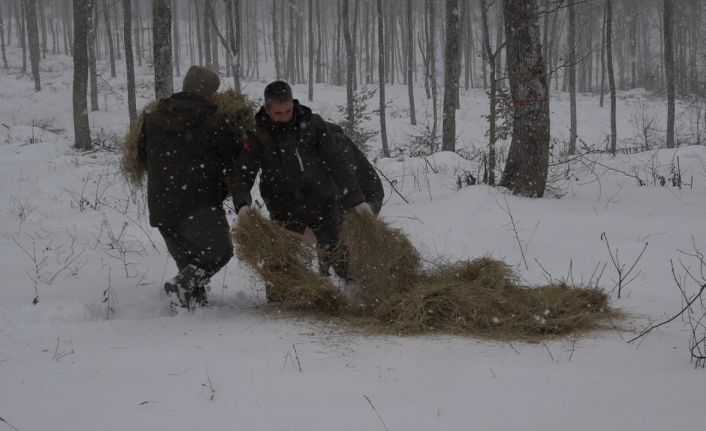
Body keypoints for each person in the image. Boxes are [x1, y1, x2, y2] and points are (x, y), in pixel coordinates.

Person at [231, 80, 376, 287]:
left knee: (340, 258)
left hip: (323, 204)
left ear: (293, 103)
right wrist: (242, 205)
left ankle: (353, 294)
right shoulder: (257, 135)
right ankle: (281, 305)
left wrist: (357, 199)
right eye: (278, 114)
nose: (284, 118)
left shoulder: (314, 125)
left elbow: (337, 163)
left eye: (288, 111)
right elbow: (242, 174)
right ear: (266, 109)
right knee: (280, 264)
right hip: (284, 210)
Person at [137, 66, 242, 310]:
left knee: (188, 265)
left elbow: (142, 158)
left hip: (162, 206)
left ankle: (190, 314)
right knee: (220, 251)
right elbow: (234, 155)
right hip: (198, 203)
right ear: (207, 92)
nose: (217, 96)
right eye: (215, 91)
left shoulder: (153, 118)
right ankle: (180, 290)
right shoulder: (214, 120)